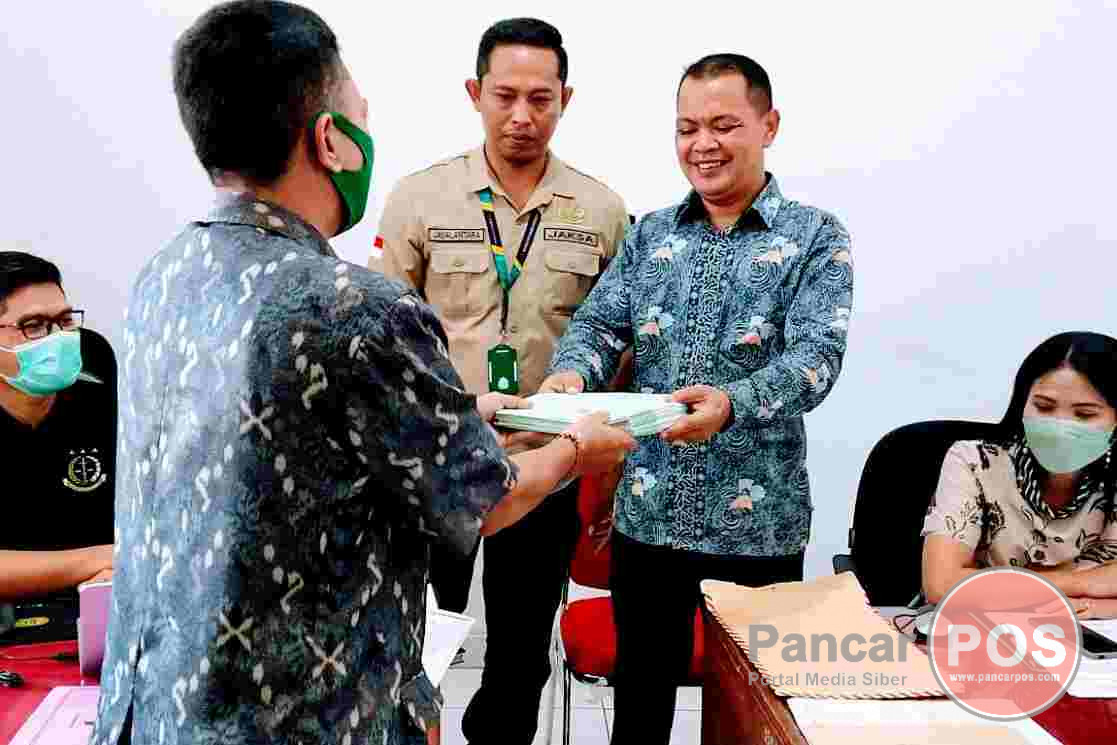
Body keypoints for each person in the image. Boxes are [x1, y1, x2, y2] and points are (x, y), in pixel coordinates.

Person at [89, 3, 634, 744]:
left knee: (517, 653)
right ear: (330, 140)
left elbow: (300, 424)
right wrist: (577, 450)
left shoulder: (166, 272)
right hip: (302, 717)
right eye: (360, 112)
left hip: (165, 706)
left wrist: (462, 411)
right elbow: (486, 500)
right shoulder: (353, 304)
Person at [543, 53, 854, 745]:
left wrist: (731, 402)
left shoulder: (815, 237)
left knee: (751, 716)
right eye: (687, 128)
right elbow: (598, 326)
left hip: (758, 527)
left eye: (723, 125)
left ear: (769, 125)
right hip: (648, 516)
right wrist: (572, 375)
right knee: (640, 712)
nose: (702, 145)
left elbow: (816, 361)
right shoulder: (651, 234)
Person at [371, 18, 630, 744]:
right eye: (505, 95)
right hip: (436, 457)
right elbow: (381, 339)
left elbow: (621, 345)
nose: (522, 115)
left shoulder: (603, 210)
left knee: (519, 654)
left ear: (565, 99)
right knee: (413, 639)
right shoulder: (420, 198)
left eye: (540, 99)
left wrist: (606, 474)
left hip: (545, 461)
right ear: (474, 92)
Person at [922, 331, 1117, 618]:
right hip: (977, 627)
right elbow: (941, 584)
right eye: (1043, 407)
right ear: (1022, 404)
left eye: (1085, 414)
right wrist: (1085, 582)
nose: (1059, 427)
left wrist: (1092, 607)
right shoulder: (974, 462)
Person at [0, 251, 113, 625]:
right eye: (33, 326)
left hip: (95, 606)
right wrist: (101, 558)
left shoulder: (96, 367)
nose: (59, 339)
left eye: (65, 321)